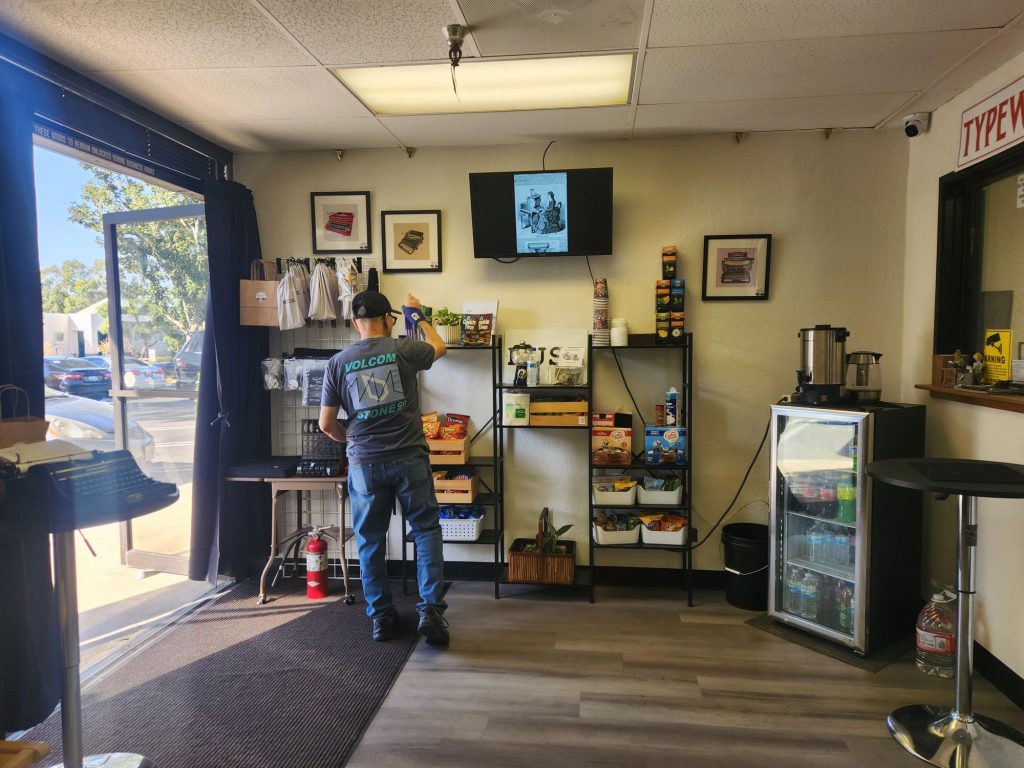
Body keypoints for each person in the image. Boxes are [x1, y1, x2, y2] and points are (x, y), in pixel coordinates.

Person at [319, 290, 450, 645]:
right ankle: (431, 611)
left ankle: (382, 618)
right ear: (389, 320)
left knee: (370, 541)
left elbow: (326, 423)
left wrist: (354, 442)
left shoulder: (338, 362)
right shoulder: (403, 348)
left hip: (365, 464)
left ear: (353, 322)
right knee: (425, 531)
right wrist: (418, 316)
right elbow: (440, 347)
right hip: (409, 458)